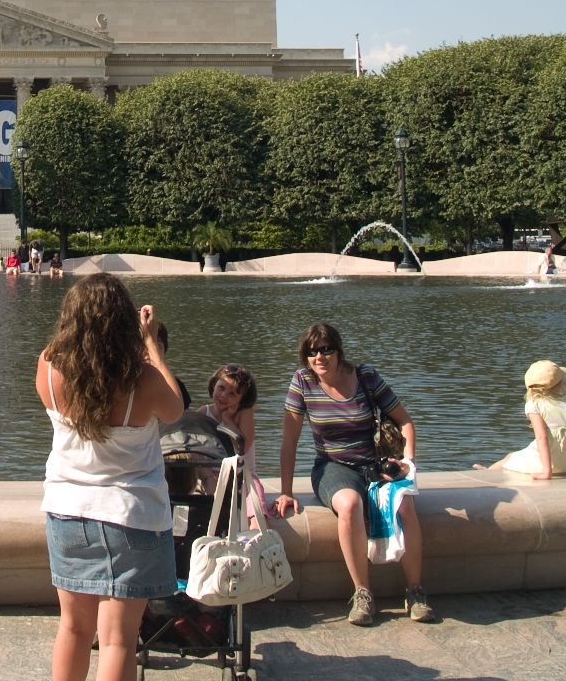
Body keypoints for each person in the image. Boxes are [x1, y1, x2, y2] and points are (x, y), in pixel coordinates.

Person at [37, 273, 183, 681]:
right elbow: (176, 409)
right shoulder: (143, 380)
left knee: (73, 628)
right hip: (131, 515)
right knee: (118, 639)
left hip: (68, 511)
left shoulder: (48, 365)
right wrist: (151, 343)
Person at [272, 322, 436, 626]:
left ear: (338, 350)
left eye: (325, 349)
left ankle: (415, 591)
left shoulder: (365, 377)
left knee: (404, 505)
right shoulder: (302, 382)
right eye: (311, 352)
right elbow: (289, 441)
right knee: (349, 505)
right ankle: (363, 593)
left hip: (374, 464)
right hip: (332, 467)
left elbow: (406, 423)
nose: (319, 357)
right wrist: (285, 491)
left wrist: (408, 464)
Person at [482, 361, 566, 479]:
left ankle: (486, 473)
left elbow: (542, 437)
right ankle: (486, 470)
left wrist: (547, 472)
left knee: (510, 458)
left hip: (549, 465)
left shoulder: (534, 404)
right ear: (562, 383)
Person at [197, 363, 266, 526]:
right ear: (214, 385)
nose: (224, 396)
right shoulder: (203, 413)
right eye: (221, 388)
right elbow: (198, 451)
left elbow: (244, 445)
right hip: (213, 474)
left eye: (232, 394)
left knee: (257, 511)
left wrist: (227, 420)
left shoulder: (244, 413)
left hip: (244, 475)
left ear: (241, 399)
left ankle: (259, 544)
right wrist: (207, 479)